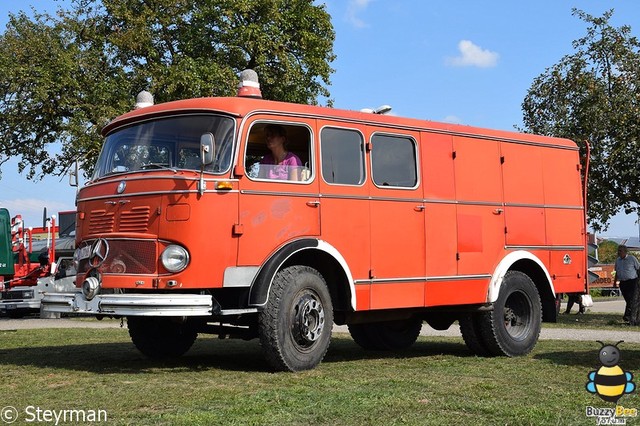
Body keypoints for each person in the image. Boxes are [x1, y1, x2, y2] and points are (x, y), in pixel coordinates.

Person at [614, 245, 640, 323]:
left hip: (632, 281)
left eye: (620, 251)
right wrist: (615, 282)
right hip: (623, 282)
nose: (619, 252)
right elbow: (617, 272)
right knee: (627, 299)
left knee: (631, 299)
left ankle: (628, 316)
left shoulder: (632, 259)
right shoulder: (618, 260)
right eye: (618, 251)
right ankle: (629, 316)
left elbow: (638, 268)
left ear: (625, 251)